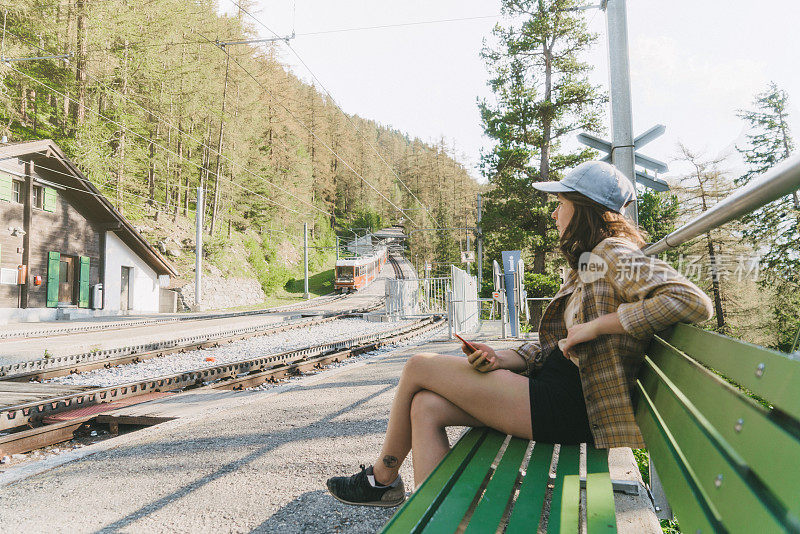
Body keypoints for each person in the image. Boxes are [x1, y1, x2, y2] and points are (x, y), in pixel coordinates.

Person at [325, 161, 714, 508]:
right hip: (555, 391)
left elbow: (690, 300)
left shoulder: (613, 251)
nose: (555, 211)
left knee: (418, 366)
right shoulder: (591, 259)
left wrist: (598, 325)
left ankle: (382, 479)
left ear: (584, 207)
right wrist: (503, 357)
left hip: (573, 404)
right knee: (426, 406)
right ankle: (446, 518)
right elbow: (557, 346)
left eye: (561, 202)